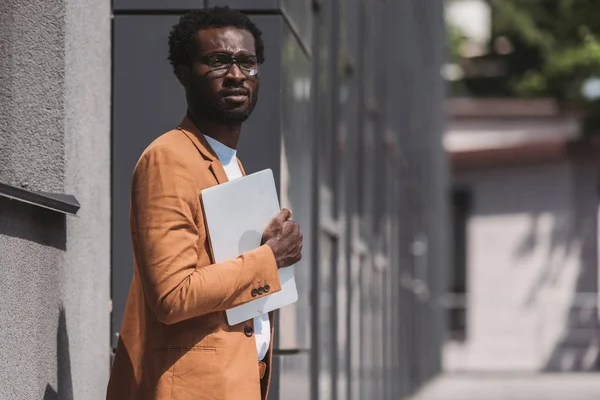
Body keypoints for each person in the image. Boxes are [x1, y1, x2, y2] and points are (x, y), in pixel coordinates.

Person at [106, 7, 303, 400]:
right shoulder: (169, 158)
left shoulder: (231, 165)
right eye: (218, 61)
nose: (235, 74)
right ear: (183, 71)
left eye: (247, 62)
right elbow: (172, 294)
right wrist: (269, 258)